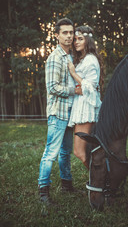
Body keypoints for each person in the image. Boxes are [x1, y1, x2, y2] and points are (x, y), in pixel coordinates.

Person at [38, 18, 82, 205]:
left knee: (65, 152)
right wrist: (74, 90)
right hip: (57, 113)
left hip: (69, 113)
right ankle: (43, 192)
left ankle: (67, 184)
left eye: (71, 32)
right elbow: (52, 87)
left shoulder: (70, 57)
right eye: (65, 32)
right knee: (51, 153)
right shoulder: (55, 57)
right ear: (57, 35)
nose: (69, 36)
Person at [67, 26, 102, 170]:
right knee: (83, 151)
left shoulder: (90, 60)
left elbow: (91, 87)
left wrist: (74, 74)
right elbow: (81, 88)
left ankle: (102, 181)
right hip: (80, 107)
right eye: (75, 39)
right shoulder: (83, 59)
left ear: (88, 40)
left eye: (80, 39)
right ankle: (99, 180)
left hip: (86, 109)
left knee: (79, 152)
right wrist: (76, 89)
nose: (76, 42)